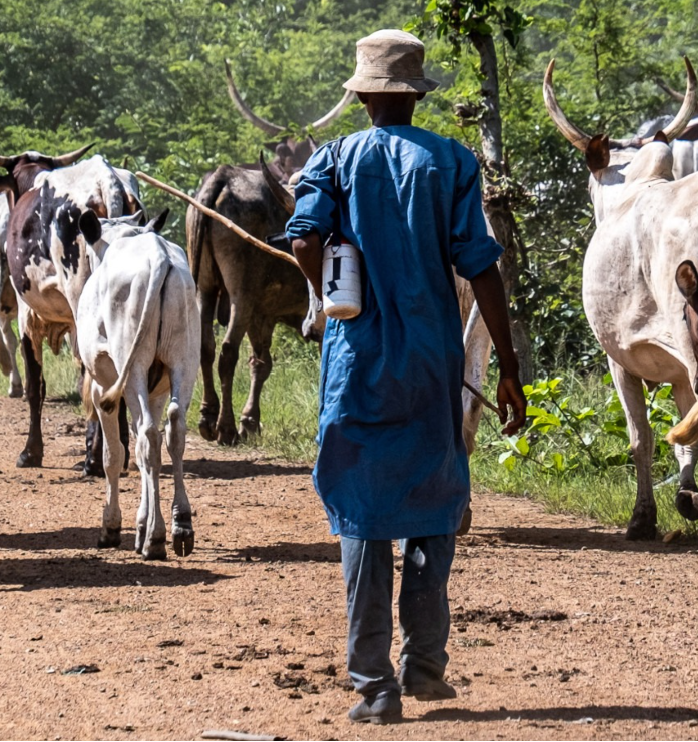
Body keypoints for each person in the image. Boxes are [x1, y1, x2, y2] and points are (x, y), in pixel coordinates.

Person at [286, 29, 527, 725]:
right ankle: (425, 661)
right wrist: (507, 369)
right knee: (432, 503)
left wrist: (331, 281)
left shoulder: (333, 158)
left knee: (362, 515)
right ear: (416, 97)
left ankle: (374, 686)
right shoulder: (450, 161)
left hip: (357, 364)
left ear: (361, 95)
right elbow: (481, 264)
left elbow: (304, 238)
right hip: (430, 363)